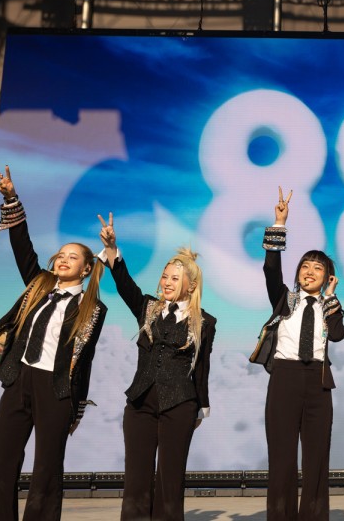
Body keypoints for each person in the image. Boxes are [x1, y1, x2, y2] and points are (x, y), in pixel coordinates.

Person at [0, 165, 107, 521]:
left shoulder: (92, 309)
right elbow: (22, 246)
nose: (63, 259)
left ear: (86, 269)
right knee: (2, 463)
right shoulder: (38, 285)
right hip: (19, 378)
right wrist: (11, 197)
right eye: (61, 255)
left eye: (73, 257)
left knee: (46, 473)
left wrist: (76, 405)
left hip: (56, 389)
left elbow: (85, 360)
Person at [98, 213, 216, 521]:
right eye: (165, 276)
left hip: (180, 403)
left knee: (170, 478)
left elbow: (201, 366)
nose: (166, 282)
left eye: (175, 278)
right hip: (140, 402)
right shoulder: (148, 307)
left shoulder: (204, 322)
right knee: (136, 479)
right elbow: (125, 285)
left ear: (191, 286)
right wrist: (112, 249)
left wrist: (202, 405)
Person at [249, 187, 344, 521]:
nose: (309, 271)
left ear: (327, 277)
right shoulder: (284, 299)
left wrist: (330, 299)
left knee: (317, 459)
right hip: (285, 377)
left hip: (318, 381)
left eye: (318, 269)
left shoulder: (330, 305)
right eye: (305, 266)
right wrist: (279, 223)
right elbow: (271, 270)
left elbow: (338, 334)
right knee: (282, 457)